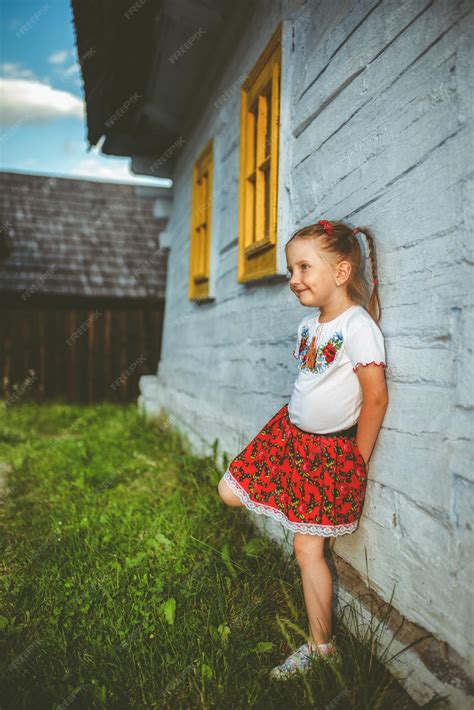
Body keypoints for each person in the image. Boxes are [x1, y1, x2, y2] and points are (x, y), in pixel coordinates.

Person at [217, 219, 389, 679]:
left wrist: (359, 458)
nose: (294, 279)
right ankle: (292, 509)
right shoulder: (309, 326)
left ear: (340, 271)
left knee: (306, 548)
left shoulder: (358, 327)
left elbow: (374, 396)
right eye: (292, 268)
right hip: (287, 436)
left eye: (304, 268)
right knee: (229, 491)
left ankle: (321, 645)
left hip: (330, 453)